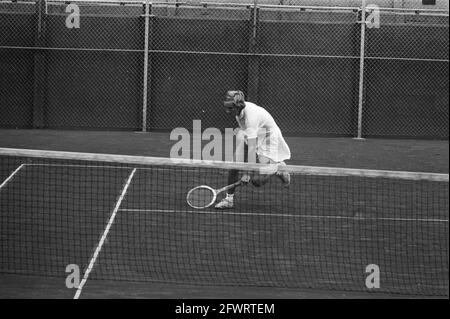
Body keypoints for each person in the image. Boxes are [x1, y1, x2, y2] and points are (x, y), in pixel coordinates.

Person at [215, 90, 291, 209]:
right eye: (227, 107)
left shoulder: (251, 117)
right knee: (234, 166)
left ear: (238, 106)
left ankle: (278, 168)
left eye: (231, 107)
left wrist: (247, 173)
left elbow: (251, 149)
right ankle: (229, 200)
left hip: (269, 137)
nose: (228, 111)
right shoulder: (238, 113)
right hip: (253, 133)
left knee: (257, 181)